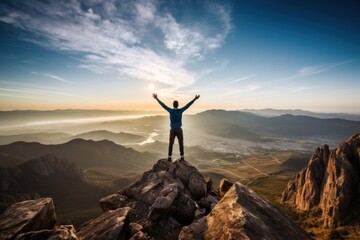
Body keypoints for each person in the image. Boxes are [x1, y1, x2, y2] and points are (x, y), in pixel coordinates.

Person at [153, 93, 200, 161]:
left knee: (171, 143)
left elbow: (163, 105)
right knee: (181, 143)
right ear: (178, 105)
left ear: (173, 105)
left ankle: (169, 156)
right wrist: (195, 99)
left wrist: (157, 99)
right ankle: (182, 156)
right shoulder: (180, 111)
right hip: (179, 130)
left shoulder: (171, 111)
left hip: (172, 130)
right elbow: (188, 105)